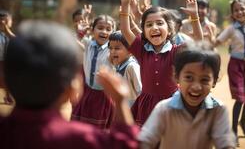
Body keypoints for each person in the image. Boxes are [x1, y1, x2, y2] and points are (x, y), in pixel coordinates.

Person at [0, 20, 139, 149]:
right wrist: (120, 102)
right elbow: (126, 144)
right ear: (73, 90)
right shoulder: (82, 138)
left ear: (4, 84)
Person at [119, 0, 203, 126]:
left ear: (169, 30)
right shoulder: (141, 49)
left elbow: (198, 41)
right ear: (144, 31)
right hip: (146, 105)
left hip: (172, 103)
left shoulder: (176, 51)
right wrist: (125, 5)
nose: (154, 28)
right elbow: (126, 30)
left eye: (159, 23)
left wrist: (195, 17)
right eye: (149, 25)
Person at [138, 41, 235, 149]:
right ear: (176, 77)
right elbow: (145, 141)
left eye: (204, 79)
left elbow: (225, 144)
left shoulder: (218, 110)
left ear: (214, 81)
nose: (196, 86)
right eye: (189, 77)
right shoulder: (164, 109)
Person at [213, 0, 245, 145]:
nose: (239, 12)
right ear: (232, 14)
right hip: (236, 65)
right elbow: (217, 42)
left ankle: (243, 122)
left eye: (242, 9)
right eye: (236, 10)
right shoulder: (231, 29)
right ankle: (233, 131)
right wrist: (208, 38)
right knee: (240, 98)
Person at [71, 15, 116, 129]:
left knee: (99, 127)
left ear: (113, 32)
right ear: (92, 30)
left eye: (108, 29)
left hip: (103, 95)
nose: (104, 31)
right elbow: (74, 40)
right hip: (87, 92)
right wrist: (81, 32)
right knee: (81, 125)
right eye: (100, 28)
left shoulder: (112, 50)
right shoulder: (88, 45)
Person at [109, 31, 142, 106]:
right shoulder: (118, 65)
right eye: (110, 48)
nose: (112, 51)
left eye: (117, 48)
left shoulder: (132, 67)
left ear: (130, 51)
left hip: (132, 109)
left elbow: (140, 91)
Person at [0, 10, 15, 105]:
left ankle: (8, 96)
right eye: (10, 20)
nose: (11, 22)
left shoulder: (5, 34)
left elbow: (16, 39)